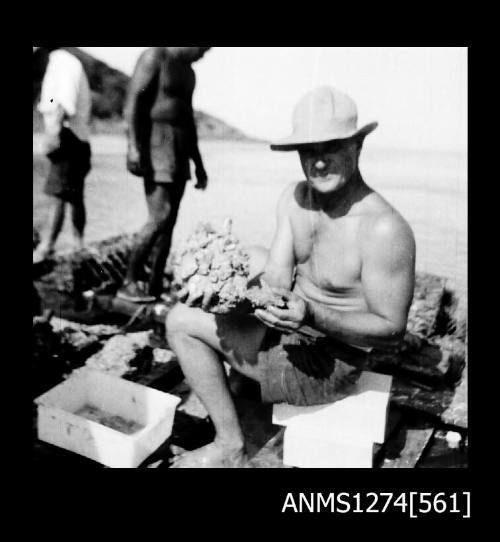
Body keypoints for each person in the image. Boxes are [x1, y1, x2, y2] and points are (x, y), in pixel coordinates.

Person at [165, 86, 416, 468]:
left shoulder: (384, 230)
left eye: (330, 146)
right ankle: (243, 381)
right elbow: (277, 281)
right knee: (250, 255)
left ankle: (229, 447)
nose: (318, 163)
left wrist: (312, 315)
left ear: (358, 146)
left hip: (328, 363)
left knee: (180, 321)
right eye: (308, 150)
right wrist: (224, 291)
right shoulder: (296, 197)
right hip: (295, 327)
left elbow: (392, 330)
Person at [117, 47, 211, 303]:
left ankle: (154, 285)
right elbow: (132, 102)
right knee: (160, 216)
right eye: (203, 48)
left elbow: (188, 119)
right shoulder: (154, 56)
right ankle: (129, 281)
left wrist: (199, 164)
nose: (204, 54)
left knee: (170, 223)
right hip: (156, 142)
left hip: (180, 147)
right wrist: (133, 147)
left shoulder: (190, 73)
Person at [33, 46, 92, 262]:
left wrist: (52, 135)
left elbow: (63, 103)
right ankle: (78, 245)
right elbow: (54, 100)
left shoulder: (62, 64)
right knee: (75, 196)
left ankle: (46, 248)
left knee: (58, 193)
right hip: (76, 137)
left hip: (67, 136)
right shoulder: (61, 63)